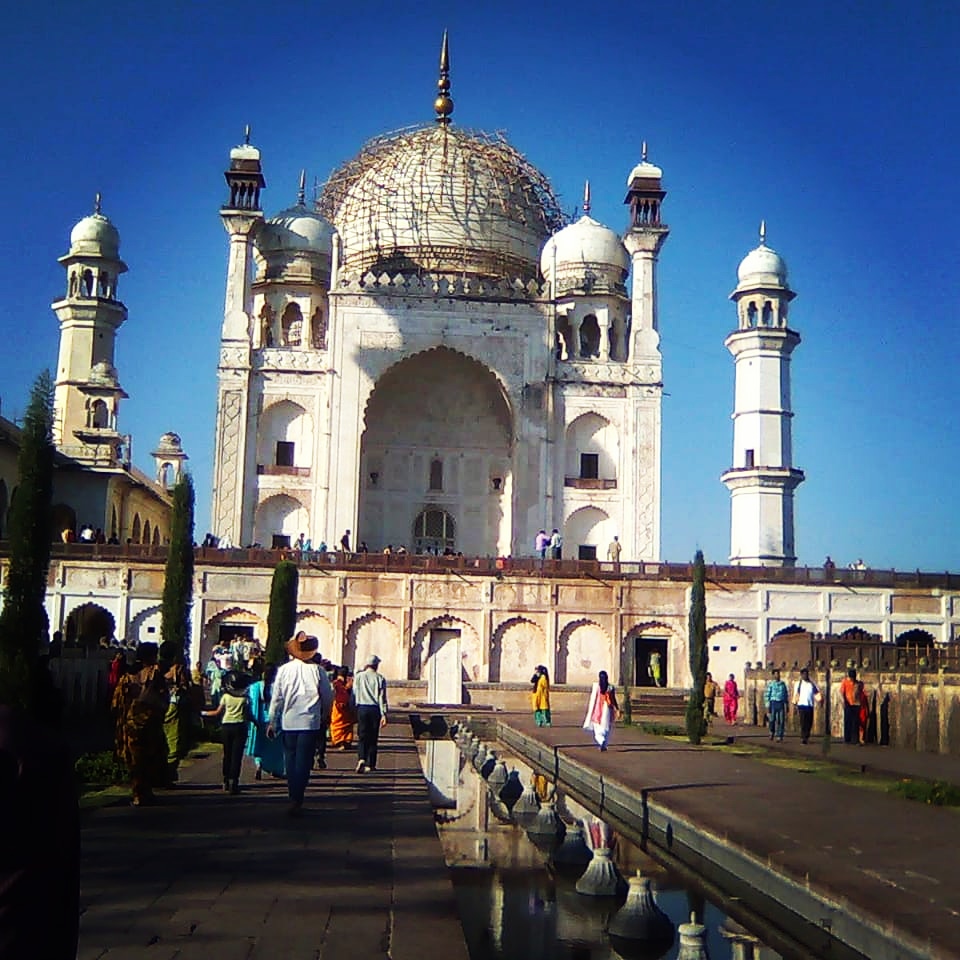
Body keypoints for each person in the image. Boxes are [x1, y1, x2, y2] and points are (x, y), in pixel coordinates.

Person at [267, 633, 334, 816]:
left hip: (289, 721)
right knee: (304, 761)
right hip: (310, 722)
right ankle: (298, 796)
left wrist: (272, 721)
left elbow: (277, 698)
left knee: (290, 760)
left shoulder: (284, 670)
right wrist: (325, 715)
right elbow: (327, 696)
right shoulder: (318, 671)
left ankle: (293, 795)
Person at [112, 643, 170, 806]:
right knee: (149, 757)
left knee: (135, 760)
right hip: (149, 722)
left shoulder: (127, 676)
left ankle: (138, 792)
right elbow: (163, 696)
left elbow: (117, 703)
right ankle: (145, 791)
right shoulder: (154, 674)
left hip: (130, 723)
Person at [202, 670, 252, 794]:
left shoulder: (226, 697)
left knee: (227, 754)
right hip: (240, 726)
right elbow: (248, 715)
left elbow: (217, 712)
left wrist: (203, 713)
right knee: (237, 756)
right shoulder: (245, 698)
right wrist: (257, 723)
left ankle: (225, 779)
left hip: (226, 726)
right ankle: (234, 781)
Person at [246, 663, 285, 779]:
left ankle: (259, 764)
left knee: (260, 745)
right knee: (275, 747)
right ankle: (275, 769)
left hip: (259, 720)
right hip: (273, 720)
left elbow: (250, 703)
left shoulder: (255, 687)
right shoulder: (277, 688)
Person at [353, 653, 388, 773]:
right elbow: (382, 698)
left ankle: (361, 758)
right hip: (374, 709)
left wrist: (354, 708)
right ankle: (370, 764)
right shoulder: (380, 678)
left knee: (362, 735)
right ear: (376, 665)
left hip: (362, 707)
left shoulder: (359, 677)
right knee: (373, 737)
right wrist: (384, 714)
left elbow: (354, 693)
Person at [582, 670, 621, 750]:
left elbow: (593, 699)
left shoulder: (597, 687)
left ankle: (601, 741)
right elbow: (613, 699)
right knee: (606, 728)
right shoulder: (610, 687)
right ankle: (604, 744)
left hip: (598, 709)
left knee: (597, 729)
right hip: (608, 710)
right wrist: (617, 709)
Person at [329, 666, 356, 750]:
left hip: (336, 707)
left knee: (336, 724)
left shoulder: (334, 683)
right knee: (347, 725)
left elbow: (331, 694)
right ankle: (346, 740)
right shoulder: (350, 683)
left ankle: (339, 741)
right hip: (347, 707)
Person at [792, 667, 821, 744]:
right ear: (801, 675)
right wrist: (794, 705)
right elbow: (796, 695)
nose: (805, 676)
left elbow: (816, 693)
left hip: (810, 705)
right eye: (804, 674)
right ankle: (804, 737)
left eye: (806, 674)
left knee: (809, 722)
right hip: (801, 705)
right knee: (803, 722)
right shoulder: (798, 684)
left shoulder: (812, 684)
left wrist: (820, 700)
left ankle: (807, 736)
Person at [764, 669, 789, 742]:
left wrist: (787, 704)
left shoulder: (783, 684)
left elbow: (785, 694)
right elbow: (767, 695)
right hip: (773, 702)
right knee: (772, 719)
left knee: (781, 720)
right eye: (776, 674)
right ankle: (771, 732)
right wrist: (767, 705)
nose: (777, 676)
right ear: (773, 675)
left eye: (778, 674)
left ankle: (779, 735)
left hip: (781, 703)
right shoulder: (771, 684)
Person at [840, 668, 861, 744]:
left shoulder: (858, 683)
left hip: (856, 704)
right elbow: (842, 692)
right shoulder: (845, 682)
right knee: (848, 721)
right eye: (851, 677)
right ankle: (847, 738)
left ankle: (855, 738)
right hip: (848, 704)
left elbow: (860, 693)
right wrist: (844, 701)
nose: (852, 679)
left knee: (855, 722)